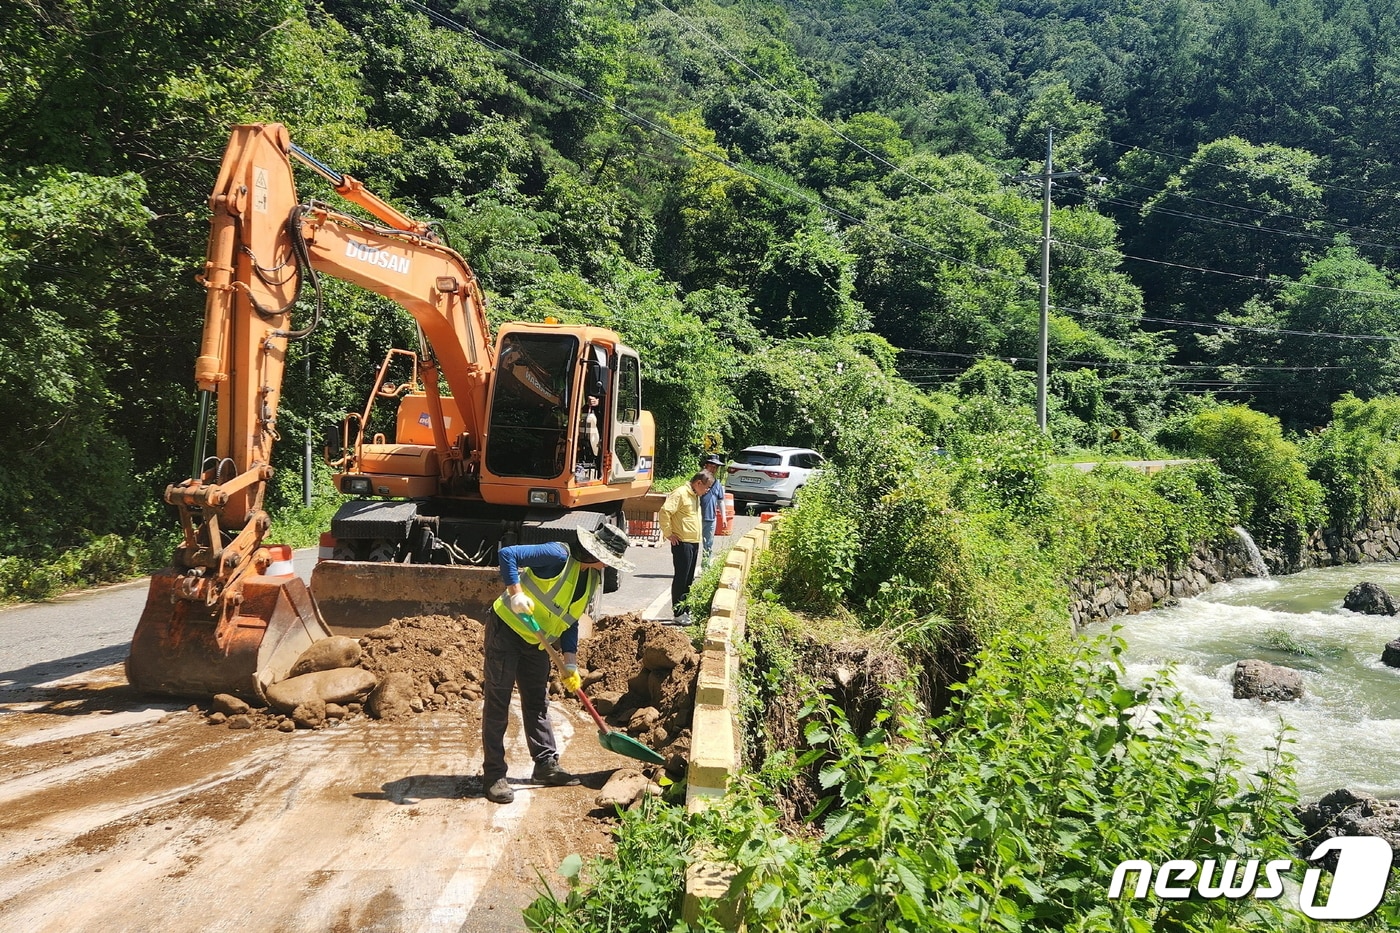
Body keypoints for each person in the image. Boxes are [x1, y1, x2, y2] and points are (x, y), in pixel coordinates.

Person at [481, 523, 635, 805]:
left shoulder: (591, 579)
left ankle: (545, 765)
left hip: (538, 643)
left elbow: (570, 621)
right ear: (595, 552)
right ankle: (493, 775)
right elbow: (509, 555)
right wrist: (516, 592)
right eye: (608, 559)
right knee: (498, 702)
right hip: (507, 632)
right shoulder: (557, 555)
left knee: (537, 702)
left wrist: (571, 663)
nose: (608, 565)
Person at [659, 471, 712, 625]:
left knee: (689, 578)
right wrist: (668, 533)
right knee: (681, 578)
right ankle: (678, 612)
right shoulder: (681, 493)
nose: (707, 490)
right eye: (707, 487)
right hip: (682, 542)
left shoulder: (695, 495)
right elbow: (664, 512)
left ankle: (685, 610)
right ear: (699, 483)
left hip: (693, 542)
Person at [699, 454, 727, 567]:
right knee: (693, 544)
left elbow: (721, 501)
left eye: (715, 467)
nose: (713, 469)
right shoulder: (698, 481)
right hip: (697, 517)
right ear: (706, 466)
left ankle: (705, 567)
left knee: (708, 545)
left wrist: (724, 517)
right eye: (711, 466)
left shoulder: (717, 484)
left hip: (711, 519)